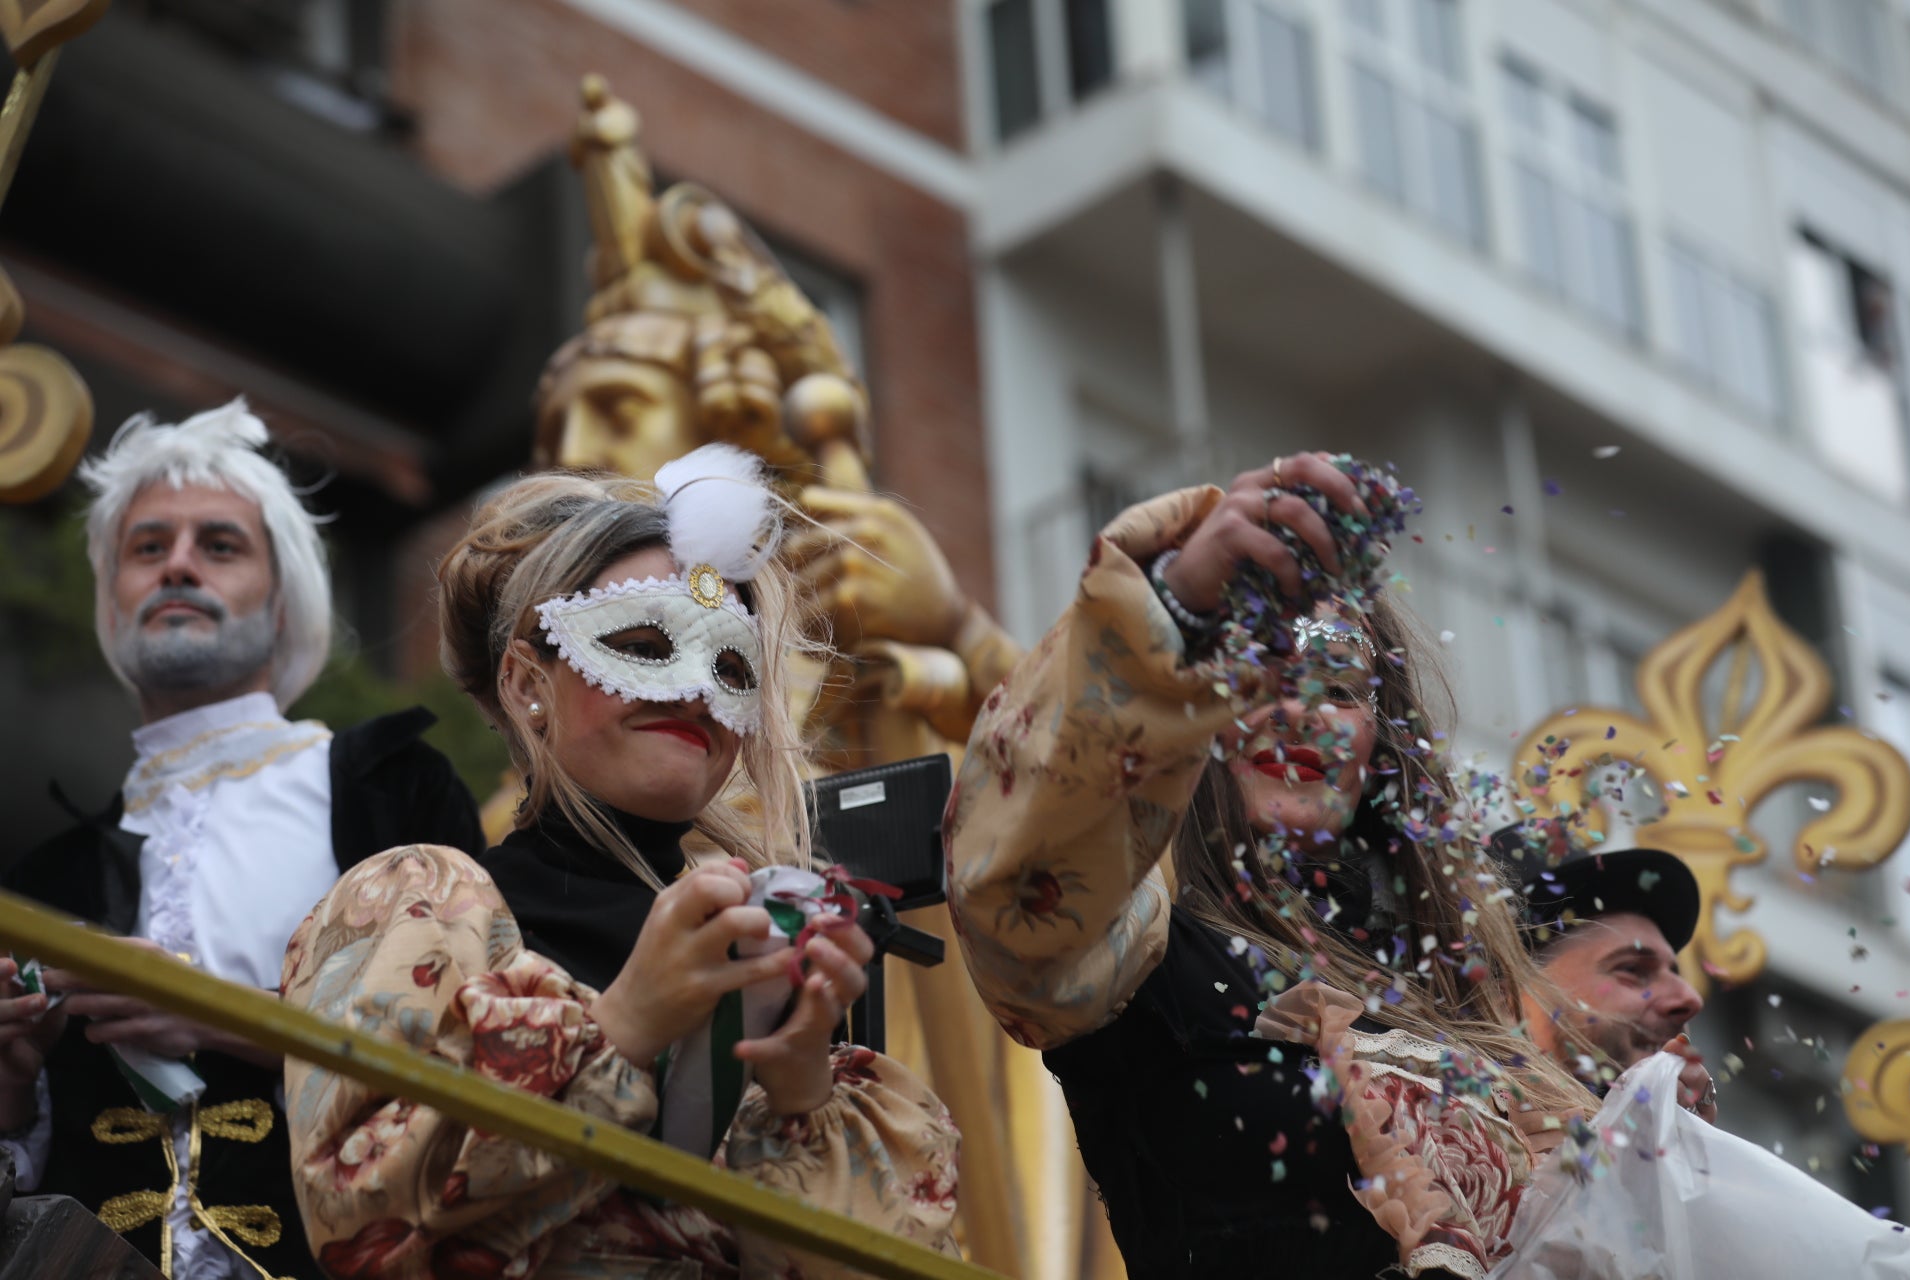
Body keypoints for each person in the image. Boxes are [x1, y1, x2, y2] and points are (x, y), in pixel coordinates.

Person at [278, 453, 960, 1277]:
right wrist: (625, 1029)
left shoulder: (763, 953)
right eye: (642, 645)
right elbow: (365, 1224)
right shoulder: (427, 905)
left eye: (732, 667)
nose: (694, 693)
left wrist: (799, 1090)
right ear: (529, 681)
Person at [945, 456, 1603, 1280]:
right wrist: (1175, 609)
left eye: (1334, 687)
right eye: (1257, 677)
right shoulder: (1144, 959)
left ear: (1381, 743)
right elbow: (1018, 883)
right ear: (1196, 717)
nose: (1296, 710)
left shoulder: (1466, 1006)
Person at [0, 400, 483, 1280]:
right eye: (148, 548)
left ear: (284, 594)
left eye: (219, 545)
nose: (178, 565)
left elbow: (477, 1050)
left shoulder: (390, 792)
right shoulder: (46, 873)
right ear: (115, 595)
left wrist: (228, 1020)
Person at [1494, 828, 1717, 1123]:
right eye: (1632, 969)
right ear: (1506, 1004)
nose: (1690, 998)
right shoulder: (1423, 1151)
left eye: (1673, 971)